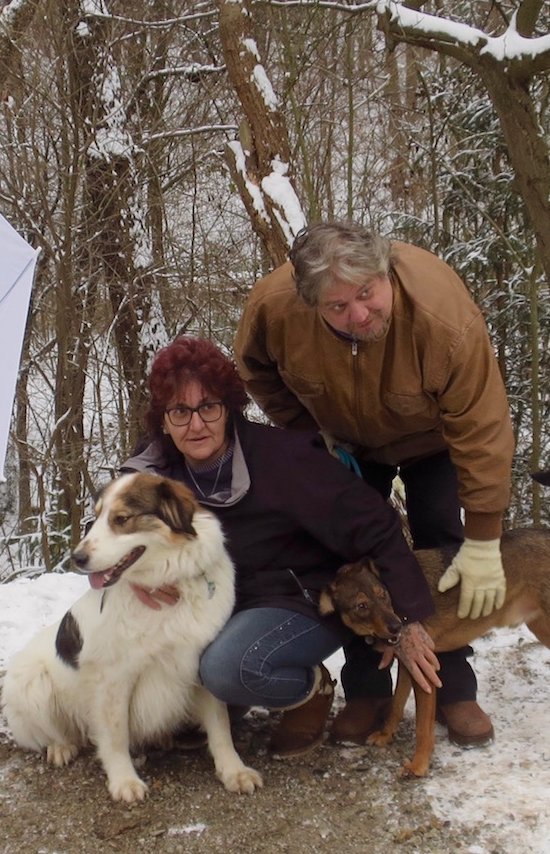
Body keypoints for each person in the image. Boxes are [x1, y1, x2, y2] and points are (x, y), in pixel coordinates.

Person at [234, 220, 515, 748]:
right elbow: (255, 371)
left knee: (440, 546)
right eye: (338, 307)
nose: (359, 314)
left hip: (433, 440)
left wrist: (483, 537)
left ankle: (453, 684)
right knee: (349, 558)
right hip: (345, 442)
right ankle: (367, 689)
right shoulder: (274, 309)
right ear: (311, 304)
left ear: (386, 271)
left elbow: (484, 426)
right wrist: (307, 432)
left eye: (367, 293)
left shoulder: (443, 318)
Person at [120, 335, 441, 759]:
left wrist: (408, 615)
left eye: (208, 407)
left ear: (229, 409)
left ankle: (309, 690)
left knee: (228, 667)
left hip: (300, 598)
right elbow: (106, 531)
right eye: (180, 411)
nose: (196, 425)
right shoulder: (153, 470)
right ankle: (227, 701)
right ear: (163, 419)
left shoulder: (285, 459)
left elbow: (375, 523)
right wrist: (127, 570)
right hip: (217, 604)